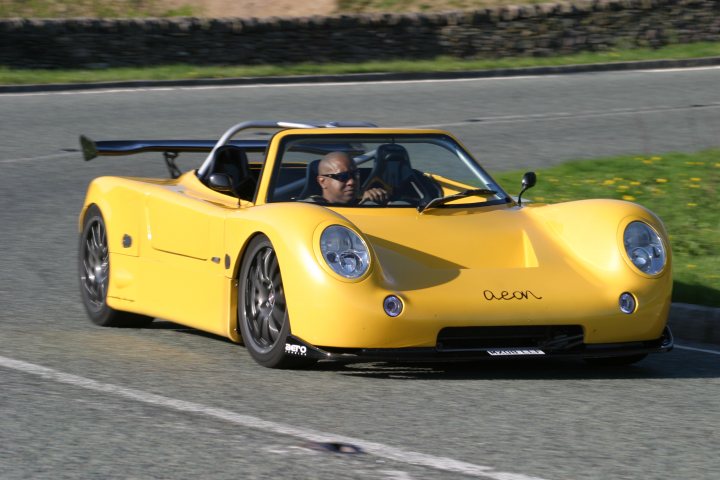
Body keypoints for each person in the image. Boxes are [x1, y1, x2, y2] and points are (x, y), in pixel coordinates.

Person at [314, 151, 387, 205]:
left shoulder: (368, 202)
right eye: (343, 176)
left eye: (355, 175)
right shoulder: (310, 210)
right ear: (322, 182)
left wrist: (375, 202)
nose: (351, 182)